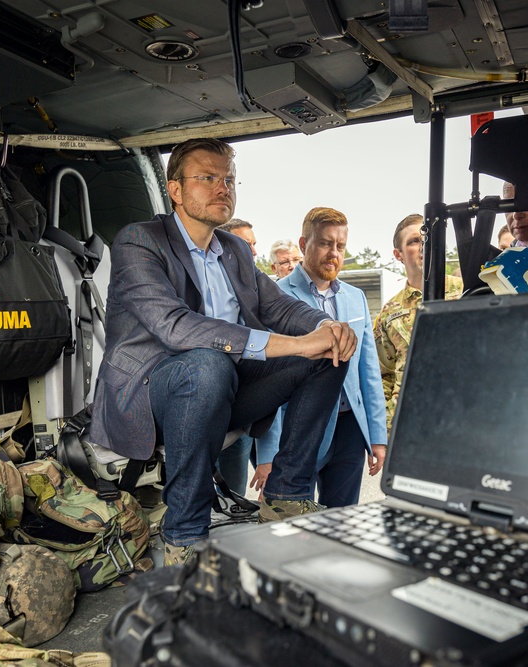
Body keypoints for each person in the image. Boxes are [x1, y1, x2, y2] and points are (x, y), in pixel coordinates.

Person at [90, 138, 357, 567]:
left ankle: (286, 495)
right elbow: (174, 326)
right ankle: (184, 534)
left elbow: (279, 306)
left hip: (223, 386)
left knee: (328, 352)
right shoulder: (139, 242)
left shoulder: (232, 250)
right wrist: (290, 344)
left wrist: (323, 328)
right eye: (208, 178)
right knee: (207, 362)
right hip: (150, 393)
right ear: (175, 190)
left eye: (229, 179)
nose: (223, 188)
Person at [253, 207, 387, 507]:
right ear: (304, 245)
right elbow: (265, 381)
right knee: (295, 521)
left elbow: (369, 371)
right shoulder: (275, 297)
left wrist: (377, 437)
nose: (334, 253)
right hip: (297, 429)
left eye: (340, 246)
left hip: (350, 429)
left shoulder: (356, 297)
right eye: (326, 243)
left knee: (344, 523)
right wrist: (268, 453)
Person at [373, 214, 463, 433]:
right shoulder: (389, 313)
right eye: (414, 241)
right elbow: (382, 375)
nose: (424, 246)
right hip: (408, 426)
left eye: (428, 239)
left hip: (462, 418)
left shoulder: (467, 292)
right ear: (398, 254)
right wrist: (386, 424)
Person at [214, 220, 263, 493]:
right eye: (247, 245)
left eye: (255, 244)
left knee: (233, 496)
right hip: (200, 411)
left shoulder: (255, 291)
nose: (254, 252)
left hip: (238, 419)